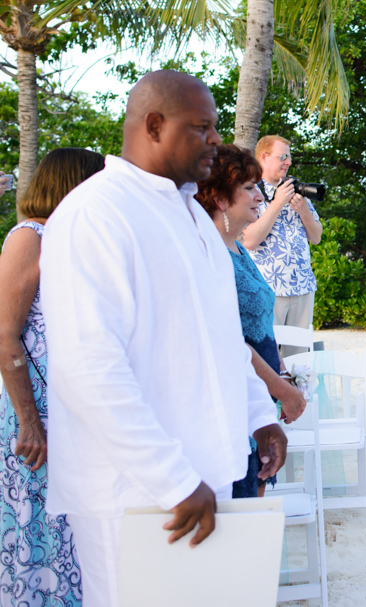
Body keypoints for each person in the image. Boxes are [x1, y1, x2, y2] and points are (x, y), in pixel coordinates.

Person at [39, 71, 287, 606]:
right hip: (136, 494)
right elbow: (87, 370)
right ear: (154, 126)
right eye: (202, 128)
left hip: (205, 477)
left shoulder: (188, 213)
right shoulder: (93, 214)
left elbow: (218, 336)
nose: (216, 140)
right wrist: (172, 479)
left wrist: (258, 416)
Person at [0, 148, 104, 607]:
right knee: (37, 531)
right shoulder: (30, 237)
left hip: (70, 413)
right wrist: (29, 420)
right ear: (73, 185)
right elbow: (5, 336)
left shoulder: (70, 239)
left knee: (70, 534)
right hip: (35, 415)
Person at [195, 144, 307, 498]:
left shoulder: (235, 247)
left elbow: (256, 325)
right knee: (241, 504)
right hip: (237, 393)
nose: (260, 195)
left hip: (261, 386)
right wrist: (281, 389)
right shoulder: (209, 254)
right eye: (248, 188)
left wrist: (282, 371)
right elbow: (230, 340)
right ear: (220, 198)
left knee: (255, 498)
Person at [243, 135, 322, 355]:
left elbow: (316, 237)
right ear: (264, 158)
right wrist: (277, 203)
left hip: (303, 287)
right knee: (267, 354)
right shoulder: (250, 192)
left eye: (289, 157)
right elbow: (248, 240)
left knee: (299, 360)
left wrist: (304, 211)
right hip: (269, 289)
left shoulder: (296, 189)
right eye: (283, 157)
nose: (288, 162)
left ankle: (298, 391)